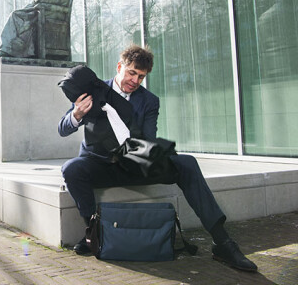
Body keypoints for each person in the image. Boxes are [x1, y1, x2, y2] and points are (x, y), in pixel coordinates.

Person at [59, 45, 258, 272]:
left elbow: (147, 140)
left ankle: (222, 243)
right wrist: (77, 114)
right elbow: (63, 128)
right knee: (71, 168)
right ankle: (92, 234)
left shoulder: (149, 101)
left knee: (186, 163)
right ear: (119, 67)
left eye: (141, 77)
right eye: (132, 73)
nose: (135, 81)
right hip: (99, 165)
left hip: (134, 165)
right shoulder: (94, 89)